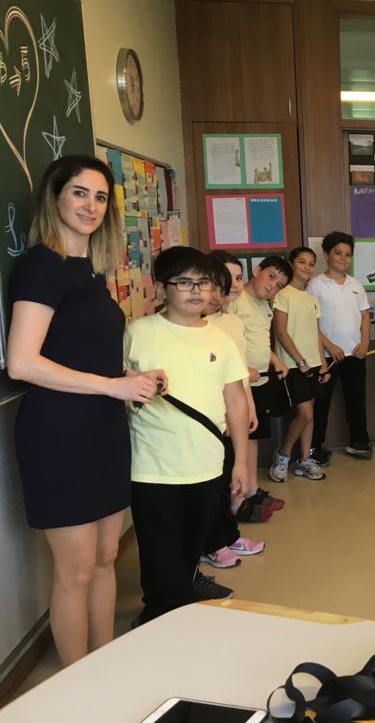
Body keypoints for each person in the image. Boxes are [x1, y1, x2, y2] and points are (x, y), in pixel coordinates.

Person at [7, 155, 165, 665]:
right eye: (79, 193)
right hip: (59, 432)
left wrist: (133, 378)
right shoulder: (42, 266)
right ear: (54, 197)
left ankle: (105, 665)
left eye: (99, 197)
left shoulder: (89, 270)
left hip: (101, 426)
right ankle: (76, 685)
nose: (91, 206)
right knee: (74, 570)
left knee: (104, 557)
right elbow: (22, 362)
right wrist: (113, 386)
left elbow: (79, 349)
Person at [125, 246, 250, 625]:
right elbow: (117, 387)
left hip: (207, 464)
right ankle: (159, 616)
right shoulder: (138, 332)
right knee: (158, 551)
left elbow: (236, 402)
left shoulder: (221, 339)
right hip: (152, 467)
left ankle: (177, 607)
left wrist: (242, 462)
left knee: (191, 548)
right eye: (184, 282)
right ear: (161, 288)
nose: (196, 291)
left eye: (204, 282)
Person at [200, 254, 265, 569]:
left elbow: (239, 374)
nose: (233, 285)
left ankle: (227, 535)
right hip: (211, 414)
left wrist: (249, 406)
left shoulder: (233, 322)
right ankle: (212, 543)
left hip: (234, 409)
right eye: (225, 278)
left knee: (228, 479)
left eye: (239, 278)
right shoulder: (201, 323)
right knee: (213, 484)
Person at [226, 255, 292, 490]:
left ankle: (251, 489)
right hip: (238, 384)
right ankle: (238, 493)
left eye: (279, 285)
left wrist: (275, 360)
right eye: (271, 276)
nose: (272, 286)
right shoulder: (234, 300)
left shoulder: (265, 303)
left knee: (253, 437)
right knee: (238, 439)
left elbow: (259, 340)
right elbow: (225, 342)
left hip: (261, 380)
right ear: (256, 270)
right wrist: (243, 369)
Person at [309, 232, 372, 461]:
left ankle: (359, 442)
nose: (343, 258)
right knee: (321, 404)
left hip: (355, 354)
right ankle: (314, 447)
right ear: (326, 255)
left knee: (356, 402)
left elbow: (365, 316)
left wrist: (365, 342)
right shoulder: (315, 285)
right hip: (326, 356)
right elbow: (310, 322)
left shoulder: (355, 284)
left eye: (348, 254)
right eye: (338, 253)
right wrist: (329, 345)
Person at [269, 247, 329, 482]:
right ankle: (283, 455)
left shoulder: (311, 298)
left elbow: (316, 333)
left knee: (309, 414)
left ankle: (304, 459)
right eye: (302, 262)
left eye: (311, 263)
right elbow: (281, 332)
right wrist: (300, 361)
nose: (307, 267)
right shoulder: (282, 295)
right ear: (292, 264)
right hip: (293, 365)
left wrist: (322, 363)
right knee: (304, 413)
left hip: (312, 363)